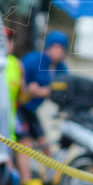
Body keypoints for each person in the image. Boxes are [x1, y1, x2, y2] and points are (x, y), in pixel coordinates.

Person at [18, 30, 69, 170]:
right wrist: (29, 90)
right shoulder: (34, 60)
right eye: (55, 47)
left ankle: (49, 179)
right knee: (25, 144)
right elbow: (18, 81)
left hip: (31, 111)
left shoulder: (61, 68)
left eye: (61, 48)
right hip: (18, 108)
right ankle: (26, 183)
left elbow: (64, 90)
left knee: (44, 143)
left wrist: (42, 92)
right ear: (49, 47)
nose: (58, 52)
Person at [3, 27, 31, 185]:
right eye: (5, 39)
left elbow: (23, 97)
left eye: (11, 40)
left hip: (11, 116)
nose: (8, 44)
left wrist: (30, 91)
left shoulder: (16, 64)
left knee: (25, 144)